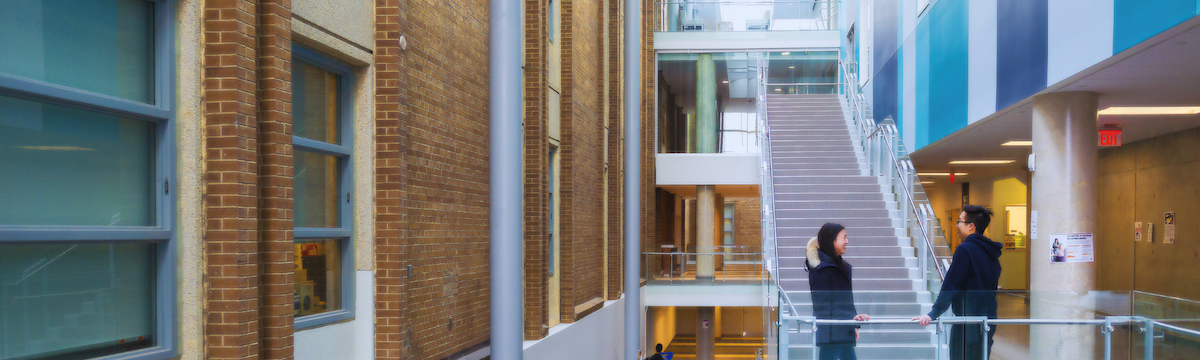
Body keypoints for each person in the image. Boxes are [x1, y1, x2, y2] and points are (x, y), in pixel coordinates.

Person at [912, 205, 1002, 360]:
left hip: (967, 321)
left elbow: (951, 284)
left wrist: (933, 313)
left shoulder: (965, 249)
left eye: (959, 221)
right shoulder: (991, 252)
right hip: (987, 320)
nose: (957, 225)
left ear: (971, 226)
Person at [806, 223, 871, 360]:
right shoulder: (821, 270)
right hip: (831, 331)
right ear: (832, 240)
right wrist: (850, 318)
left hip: (843, 328)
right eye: (844, 237)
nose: (847, 241)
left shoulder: (841, 267)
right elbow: (823, 306)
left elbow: (847, 300)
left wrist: (853, 323)